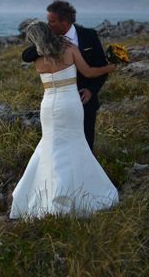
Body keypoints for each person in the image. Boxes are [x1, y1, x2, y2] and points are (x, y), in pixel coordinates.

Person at [10, 21, 118, 219]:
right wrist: (110, 67)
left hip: (48, 105)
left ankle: (44, 194)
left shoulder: (38, 61)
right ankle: (77, 192)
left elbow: (30, 53)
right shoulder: (70, 50)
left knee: (50, 146)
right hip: (70, 103)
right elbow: (89, 72)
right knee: (76, 142)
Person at [22, 0, 108, 151]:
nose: (48, 25)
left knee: (85, 145)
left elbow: (100, 67)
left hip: (84, 100)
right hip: (56, 103)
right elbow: (26, 55)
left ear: (65, 21)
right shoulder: (47, 40)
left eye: (52, 21)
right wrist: (48, 45)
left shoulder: (89, 36)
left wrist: (91, 90)